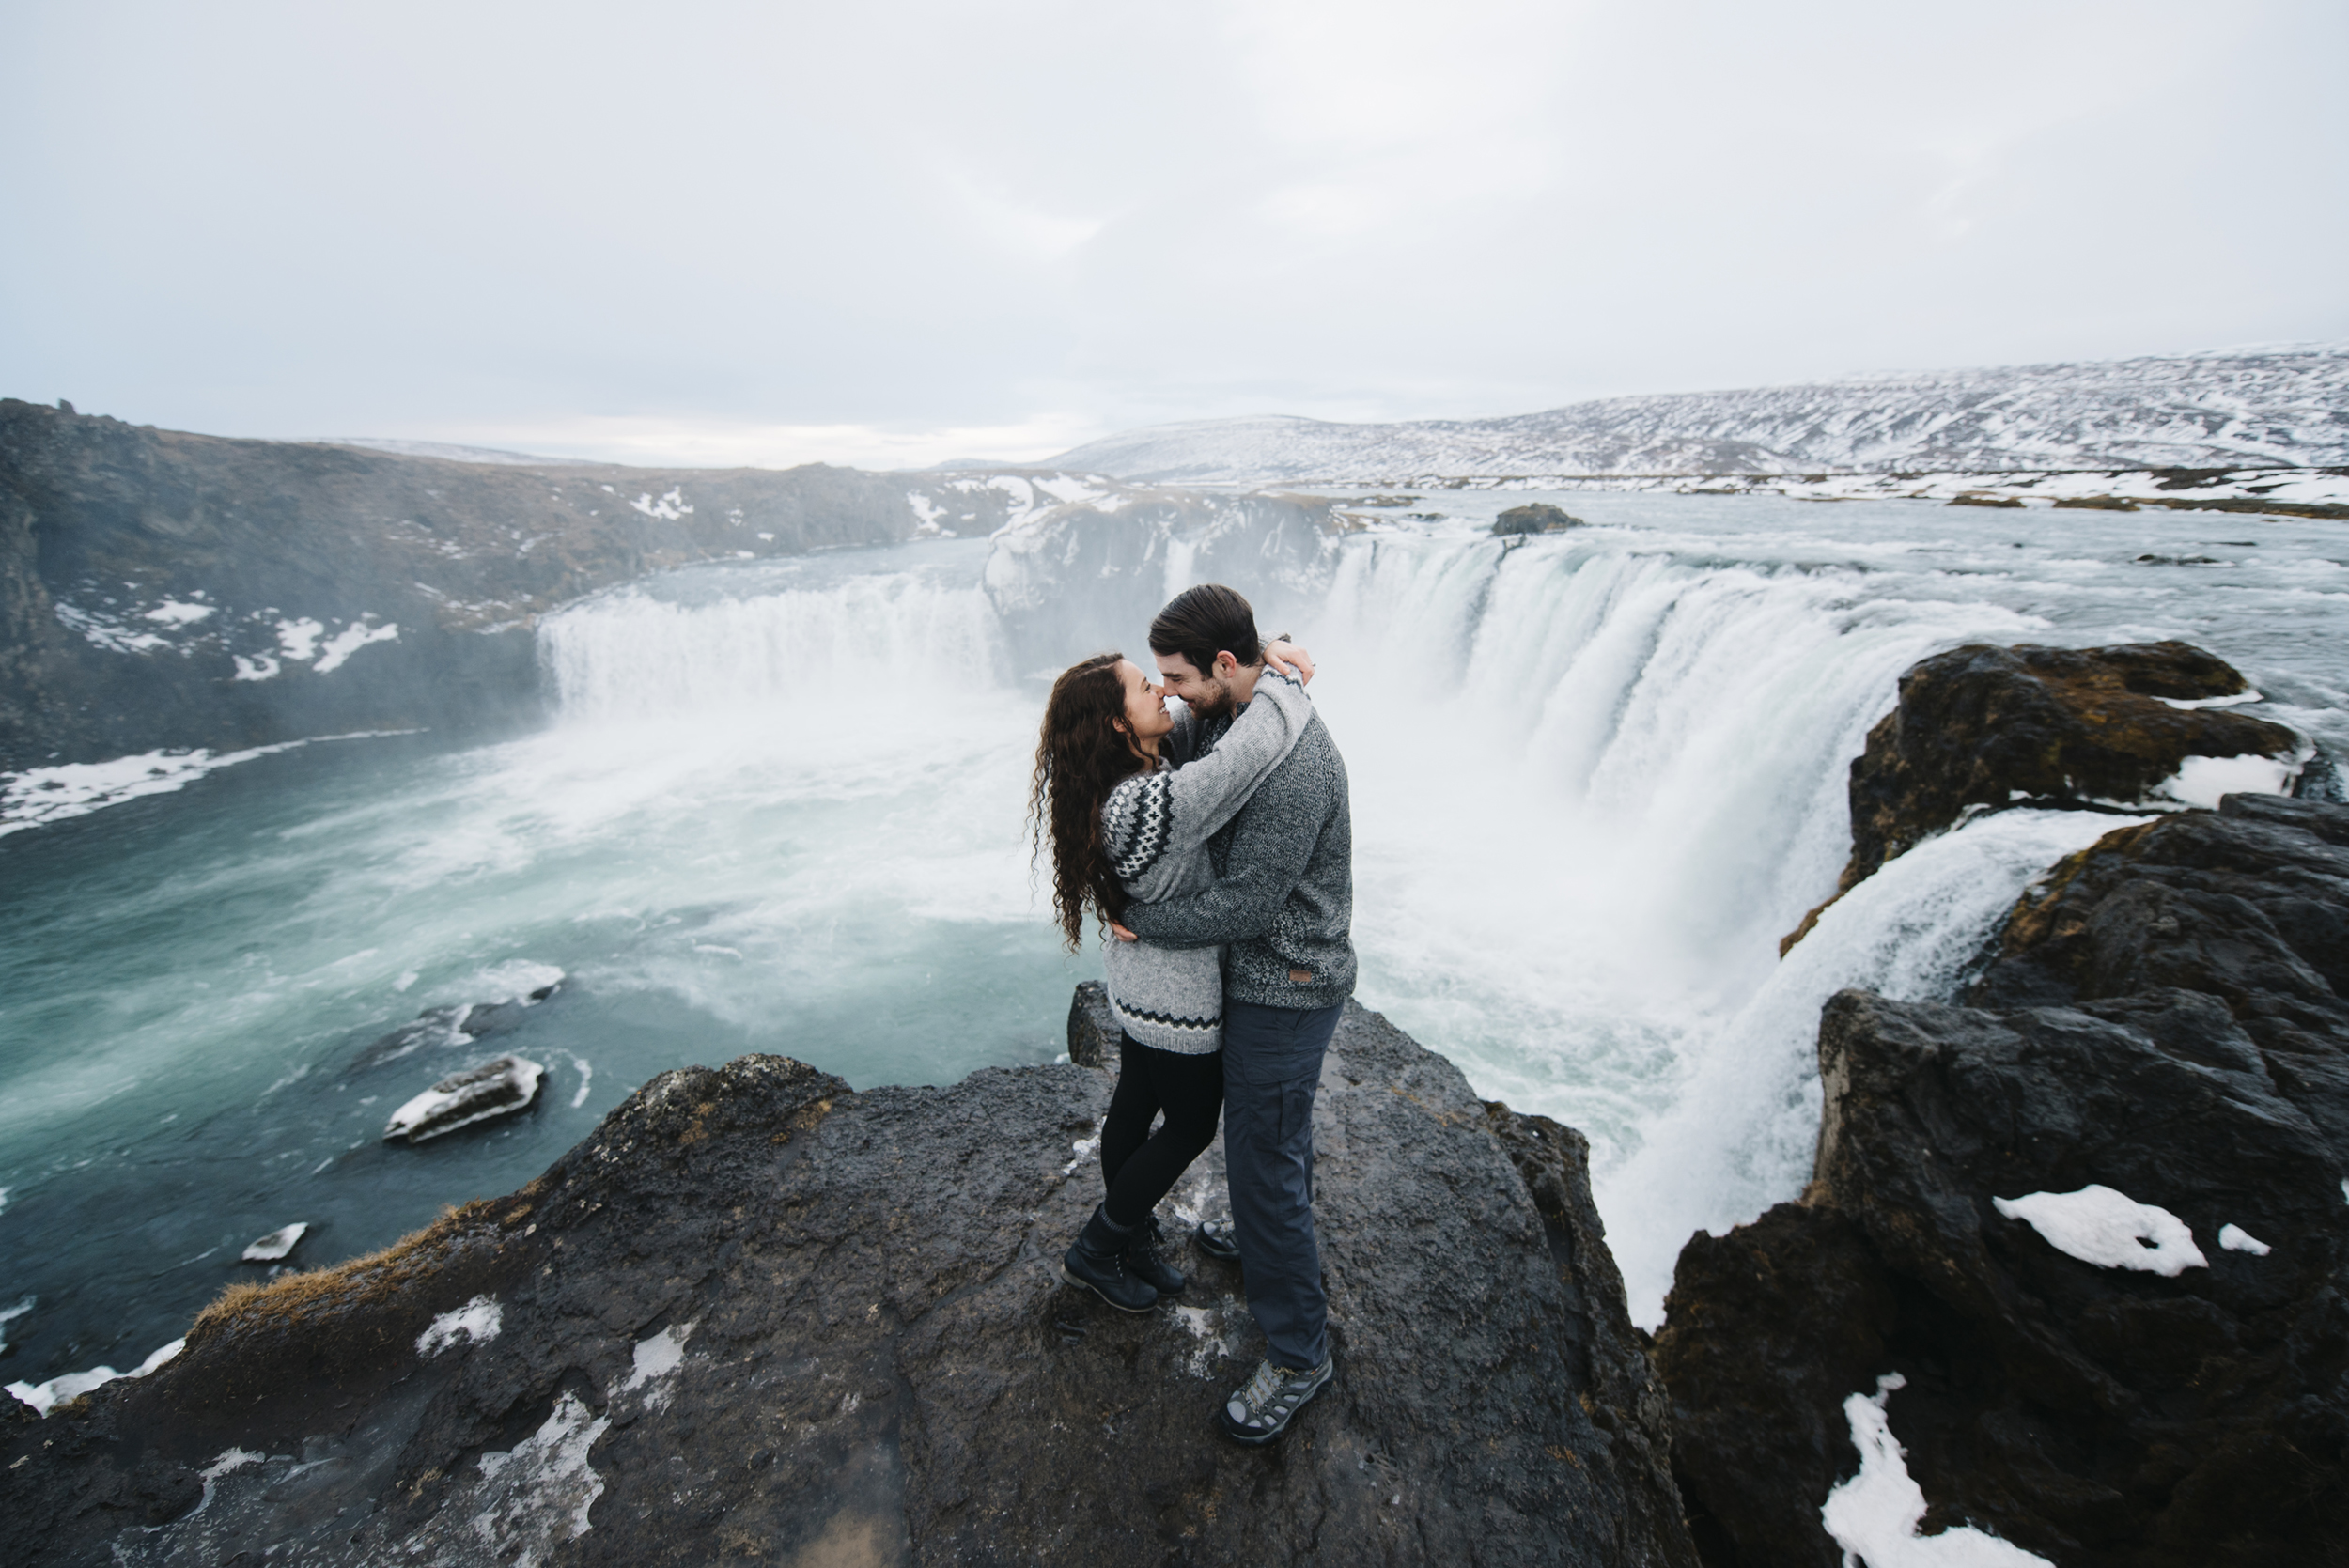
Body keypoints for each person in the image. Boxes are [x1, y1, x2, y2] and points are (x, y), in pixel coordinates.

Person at [1111, 582, 1354, 1447]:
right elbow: (1169, 740)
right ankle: (1263, 1238)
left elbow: (1250, 903)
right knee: (1272, 1145)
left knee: (1262, 1164)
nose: (1168, 693)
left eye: (1177, 676)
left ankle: (1298, 1353)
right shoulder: (1230, 713)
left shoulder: (1292, 764)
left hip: (1285, 981)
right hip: (1256, 973)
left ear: (1223, 665)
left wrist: (1147, 924)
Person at [1028, 637, 1317, 1320]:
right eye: (1141, 687)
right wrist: (1286, 684)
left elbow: (1208, 696)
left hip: (1138, 985)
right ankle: (1098, 1248)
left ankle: (1131, 1238)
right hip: (1173, 996)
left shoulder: (1132, 770)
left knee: (1132, 1103)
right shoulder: (1142, 802)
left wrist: (1252, 650)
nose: (1160, 691)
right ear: (1117, 724)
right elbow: (1244, 755)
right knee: (1188, 1123)